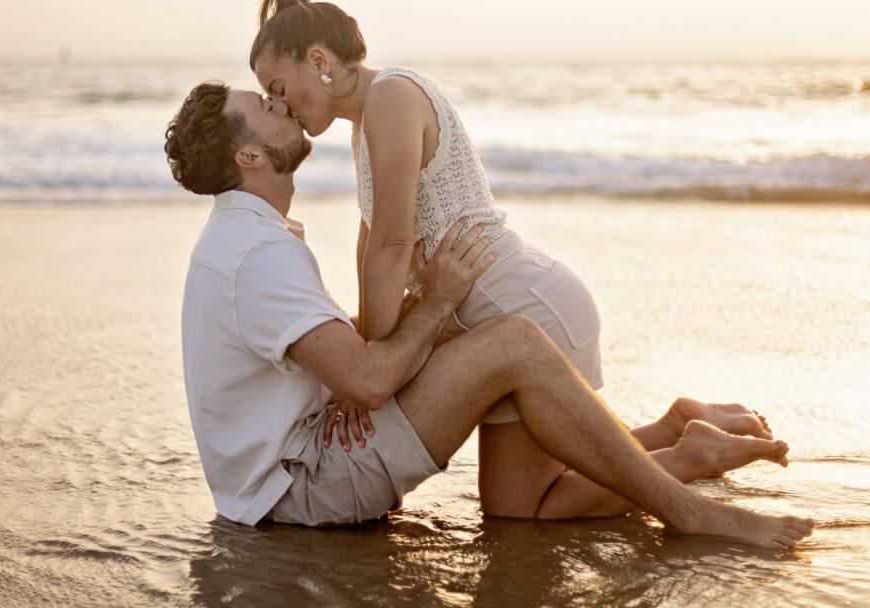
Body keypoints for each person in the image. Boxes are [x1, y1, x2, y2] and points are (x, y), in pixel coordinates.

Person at [164, 81, 813, 548]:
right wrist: (440, 301)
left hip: (311, 456)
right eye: (263, 108)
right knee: (514, 345)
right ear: (249, 157)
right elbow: (364, 380)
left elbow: (344, 368)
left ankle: (675, 439)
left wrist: (416, 332)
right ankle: (686, 508)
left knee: (494, 378)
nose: (279, 103)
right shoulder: (257, 254)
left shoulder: (249, 239)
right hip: (306, 492)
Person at [250, 0, 777, 517]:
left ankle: (691, 456)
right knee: (520, 502)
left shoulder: (390, 96)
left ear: (317, 59)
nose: (278, 105)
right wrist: (369, 362)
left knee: (529, 512)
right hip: (496, 314)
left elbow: (391, 245)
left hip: (524, 308)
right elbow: (373, 248)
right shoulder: (366, 123)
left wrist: (372, 377)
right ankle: (675, 428)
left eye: (277, 87)